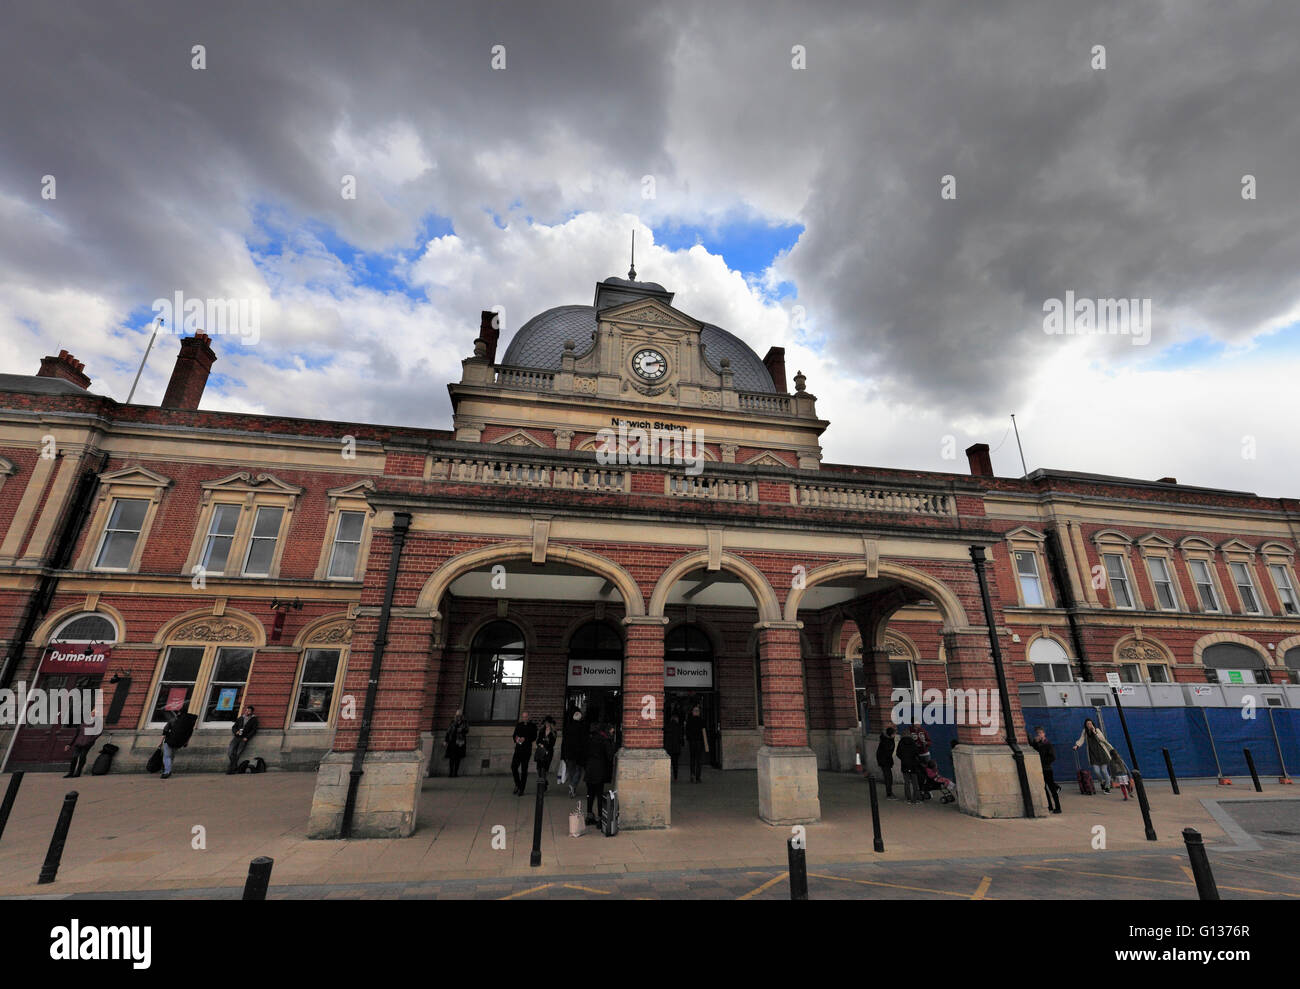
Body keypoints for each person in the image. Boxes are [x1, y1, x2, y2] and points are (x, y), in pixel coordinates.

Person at [584, 722, 616, 825]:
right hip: (599, 769)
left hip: (589, 769)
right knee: (599, 794)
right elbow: (609, 755)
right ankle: (599, 817)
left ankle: (589, 814)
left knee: (590, 794)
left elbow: (584, 753)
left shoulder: (590, 739)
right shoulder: (605, 741)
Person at [1073, 718, 1115, 793]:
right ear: (1086, 725)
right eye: (1087, 724)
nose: (1089, 725)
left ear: (1092, 724)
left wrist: (1094, 732)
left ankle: (1107, 787)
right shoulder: (1085, 732)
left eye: (1090, 723)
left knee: (1104, 771)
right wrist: (1077, 745)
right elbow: (1081, 739)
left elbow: (1102, 739)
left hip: (1102, 753)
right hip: (1093, 754)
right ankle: (1102, 782)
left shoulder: (1097, 730)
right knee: (1096, 771)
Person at [63, 704, 102, 778]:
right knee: (74, 757)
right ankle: (71, 773)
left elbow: (99, 732)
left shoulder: (98, 722)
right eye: (92, 712)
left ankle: (78, 772)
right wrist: (69, 744)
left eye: (95, 712)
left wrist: (91, 740)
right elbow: (76, 733)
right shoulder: (85, 721)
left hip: (87, 743)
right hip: (79, 742)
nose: (93, 713)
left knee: (82, 757)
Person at [1029, 726, 1062, 813]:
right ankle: (1050, 806)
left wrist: (1044, 762)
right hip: (1040, 769)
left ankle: (1058, 807)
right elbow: (1034, 749)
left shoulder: (1048, 744)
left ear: (1044, 734)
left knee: (1052, 789)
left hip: (1047, 769)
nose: (1039, 735)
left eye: (1040, 733)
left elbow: (1052, 757)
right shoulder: (1037, 744)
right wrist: (1035, 743)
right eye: (1037, 733)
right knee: (1044, 788)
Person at [160, 707, 196, 779]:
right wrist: (186, 742)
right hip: (179, 742)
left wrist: (161, 742)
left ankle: (167, 771)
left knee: (167, 756)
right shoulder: (188, 722)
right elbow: (189, 733)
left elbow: (165, 732)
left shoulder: (173, 720)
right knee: (172, 756)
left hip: (169, 741)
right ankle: (168, 769)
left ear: (179, 712)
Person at [560, 708, 589, 798]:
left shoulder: (568, 727)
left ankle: (572, 789)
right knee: (578, 771)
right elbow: (584, 742)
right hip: (579, 754)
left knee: (572, 771)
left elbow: (564, 742)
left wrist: (563, 754)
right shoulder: (582, 728)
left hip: (569, 753)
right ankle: (572, 786)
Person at [226, 704, 259, 774]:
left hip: (244, 738)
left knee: (238, 753)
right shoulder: (241, 718)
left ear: (252, 712)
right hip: (237, 737)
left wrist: (247, 737)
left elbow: (254, 730)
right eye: (246, 710)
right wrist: (236, 732)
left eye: (249, 711)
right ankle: (234, 767)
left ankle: (231, 769)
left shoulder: (254, 719)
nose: (247, 712)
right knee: (230, 752)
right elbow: (234, 727)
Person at [511, 711, 538, 795]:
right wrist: (516, 739)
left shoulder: (533, 726)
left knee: (524, 770)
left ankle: (521, 789)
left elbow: (534, 737)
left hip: (526, 751)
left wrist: (525, 739)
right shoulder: (519, 725)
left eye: (526, 716)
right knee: (513, 767)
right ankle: (518, 784)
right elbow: (514, 735)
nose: (525, 718)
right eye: (523, 717)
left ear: (529, 717)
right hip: (518, 750)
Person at [896, 725, 921, 804]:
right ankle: (915, 799)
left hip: (905, 765)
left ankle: (908, 798)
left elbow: (898, 753)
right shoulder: (913, 743)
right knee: (915, 782)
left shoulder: (901, 743)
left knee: (906, 782)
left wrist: (903, 759)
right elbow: (917, 753)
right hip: (913, 765)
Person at [685, 704, 708, 783]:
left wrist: (689, 739)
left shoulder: (689, 721)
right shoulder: (702, 720)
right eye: (696, 711)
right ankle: (698, 777)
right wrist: (706, 744)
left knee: (692, 759)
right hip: (699, 742)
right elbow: (704, 732)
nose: (696, 712)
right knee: (698, 760)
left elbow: (687, 731)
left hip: (692, 742)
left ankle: (692, 775)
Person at [444, 710, 469, 778]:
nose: (458, 716)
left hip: (460, 742)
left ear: (462, 716)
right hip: (452, 741)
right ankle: (451, 773)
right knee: (452, 758)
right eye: (457, 715)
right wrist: (446, 741)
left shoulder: (464, 722)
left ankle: (455, 773)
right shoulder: (453, 722)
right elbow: (448, 732)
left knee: (458, 758)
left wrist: (462, 730)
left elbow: (467, 730)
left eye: (459, 715)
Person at [875, 725, 897, 798]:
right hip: (885, 762)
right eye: (894, 733)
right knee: (888, 777)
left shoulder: (886, 740)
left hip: (885, 761)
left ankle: (889, 792)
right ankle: (889, 794)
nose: (895, 735)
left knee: (888, 777)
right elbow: (887, 753)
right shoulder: (887, 742)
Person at [534, 715, 558, 783]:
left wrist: (545, 746)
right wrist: (540, 744)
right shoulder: (541, 731)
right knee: (539, 767)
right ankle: (542, 780)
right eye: (546, 723)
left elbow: (552, 743)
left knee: (545, 767)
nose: (546, 724)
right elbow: (538, 741)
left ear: (550, 724)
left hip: (548, 752)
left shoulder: (553, 733)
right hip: (540, 751)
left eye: (548, 723)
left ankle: (544, 781)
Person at [664, 710, 684, 782]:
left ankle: (667, 777)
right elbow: (680, 738)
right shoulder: (679, 727)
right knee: (675, 764)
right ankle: (675, 777)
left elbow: (664, 737)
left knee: (668, 763)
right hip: (676, 748)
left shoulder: (667, 726)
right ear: (676, 719)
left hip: (668, 748)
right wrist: (682, 744)